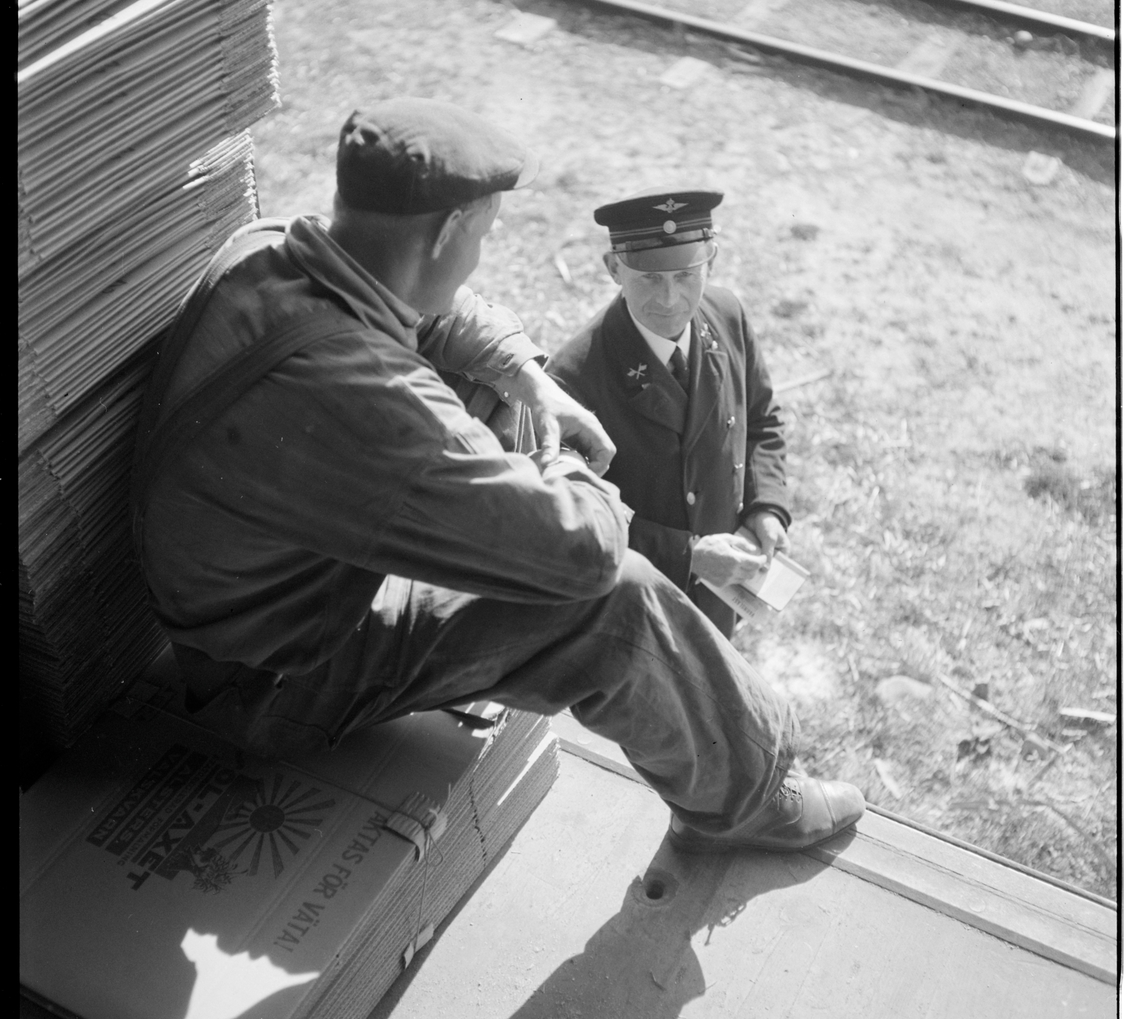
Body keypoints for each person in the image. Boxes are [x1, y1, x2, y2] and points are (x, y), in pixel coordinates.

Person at [132, 97, 863, 854]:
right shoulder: (360, 396)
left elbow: (441, 311)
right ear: (448, 231)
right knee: (614, 604)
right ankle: (752, 799)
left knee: (494, 395)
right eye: (482, 234)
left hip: (273, 601)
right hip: (282, 679)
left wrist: (531, 380)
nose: (480, 255)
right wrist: (564, 465)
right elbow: (587, 554)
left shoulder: (278, 248)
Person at [548, 188, 789, 640]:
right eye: (649, 278)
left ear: (711, 262)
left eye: (685, 275)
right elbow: (576, 516)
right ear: (613, 268)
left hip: (722, 588)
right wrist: (688, 556)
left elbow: (761, 418)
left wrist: (767, 506)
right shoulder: (573, 378)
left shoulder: (728, 315)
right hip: (639, 605)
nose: (669, 298)